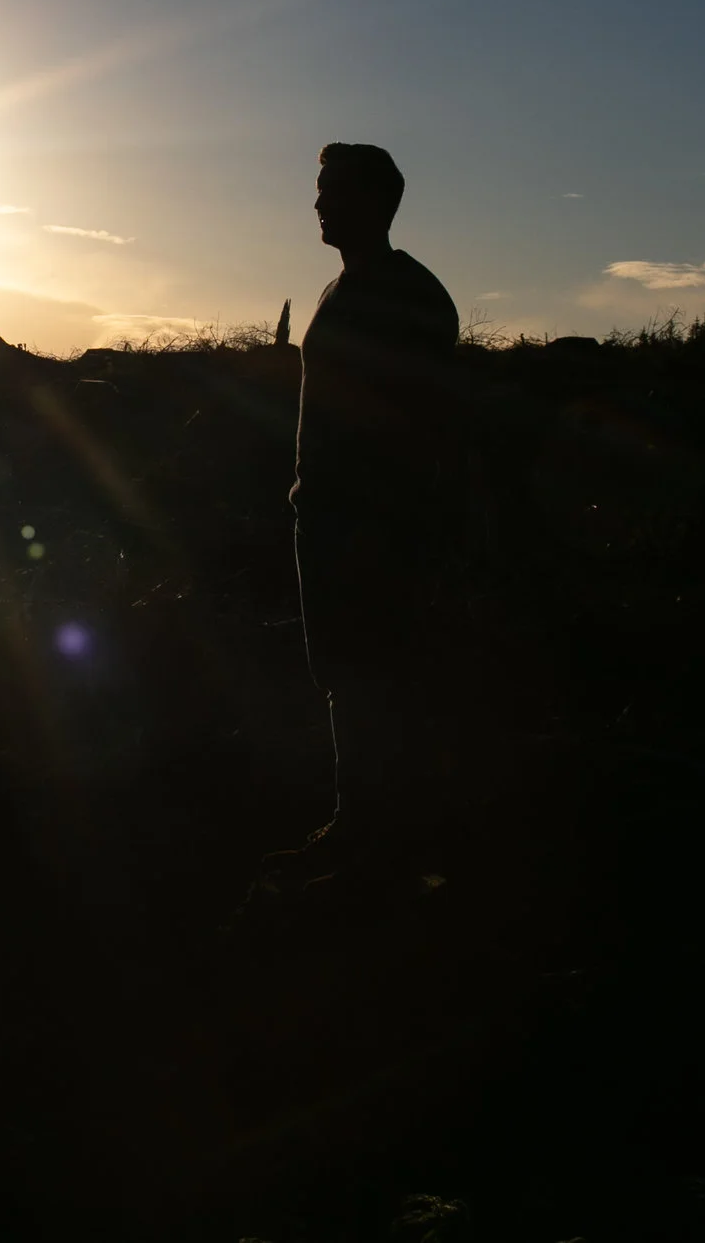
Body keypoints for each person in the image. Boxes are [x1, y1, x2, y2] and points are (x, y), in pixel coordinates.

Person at [285, 142, 460, 885]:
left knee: (372, 672)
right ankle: (362, 823)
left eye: (330, 190)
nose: (317, 203)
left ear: (372, 200)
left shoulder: (404, 294)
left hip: (372, 524)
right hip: (329, 517)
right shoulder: (345, 287)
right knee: (344, 673)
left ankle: (377, 838)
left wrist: (387, 519)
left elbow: (427, 419)